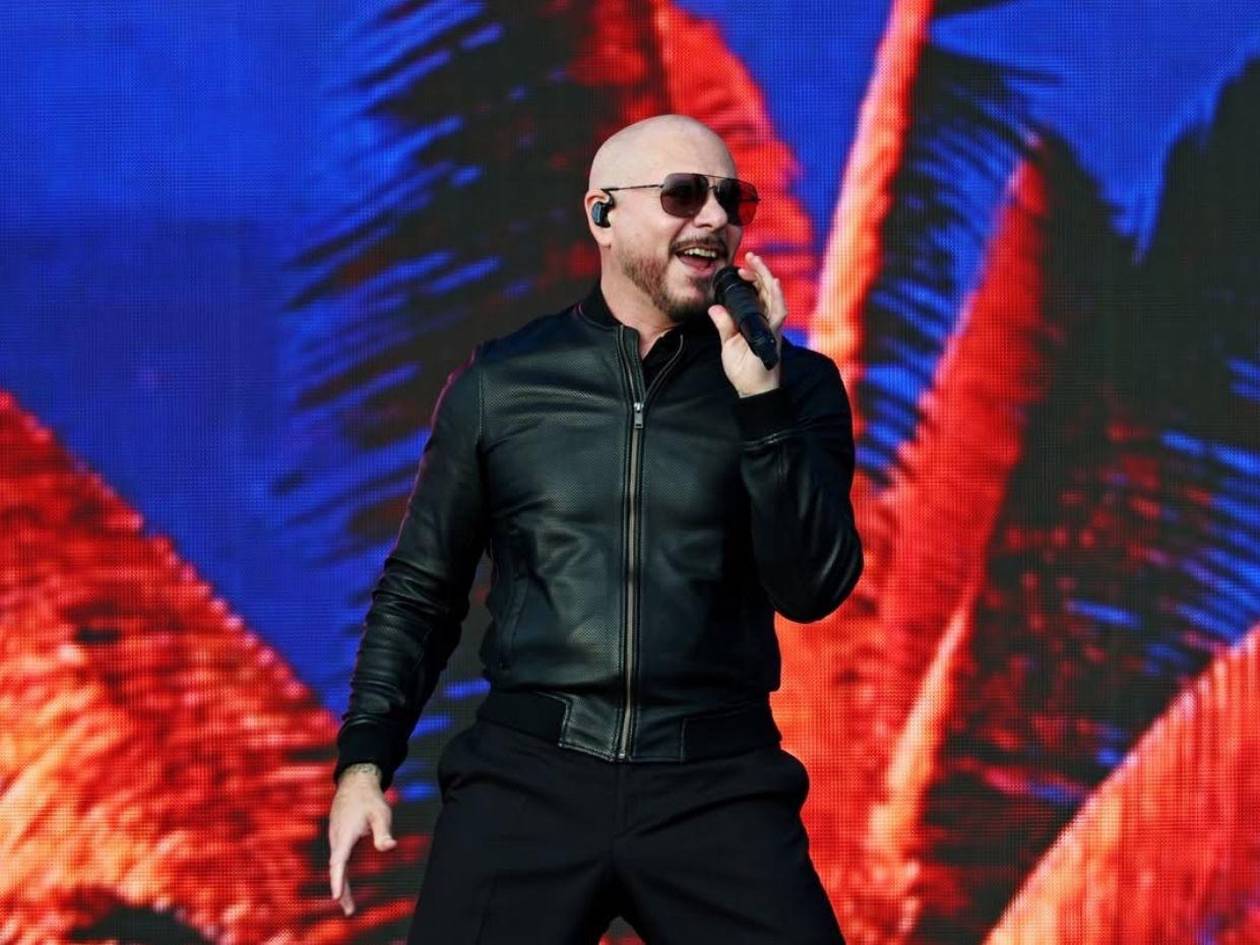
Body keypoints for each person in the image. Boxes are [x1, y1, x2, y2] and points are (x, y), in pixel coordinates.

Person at [328, 113, 863, 944]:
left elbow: (813, 586)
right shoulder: (505, 383)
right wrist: (365, 760)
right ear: (603, 215)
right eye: (684, 194)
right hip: (530, 774)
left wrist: (761, 403)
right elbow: (422, 587)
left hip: (715, 781)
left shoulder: (795, 387)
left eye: (733, 199)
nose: (715, 217)